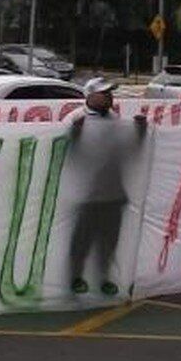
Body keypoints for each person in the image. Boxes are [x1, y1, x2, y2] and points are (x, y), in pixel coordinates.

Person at [63, 77, 149, 296]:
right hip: (85, 196)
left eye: (110, 93)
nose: (109, 97)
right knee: (81, 241)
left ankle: (104, 278)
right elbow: (67, 154)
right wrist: (74, 133)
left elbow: (128, 153)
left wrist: (140, 132)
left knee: (109, 242)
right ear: (89, 95)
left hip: (113, 194)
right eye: (104, 93)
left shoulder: (116, 120)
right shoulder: (75, 119)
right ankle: (75, 278)